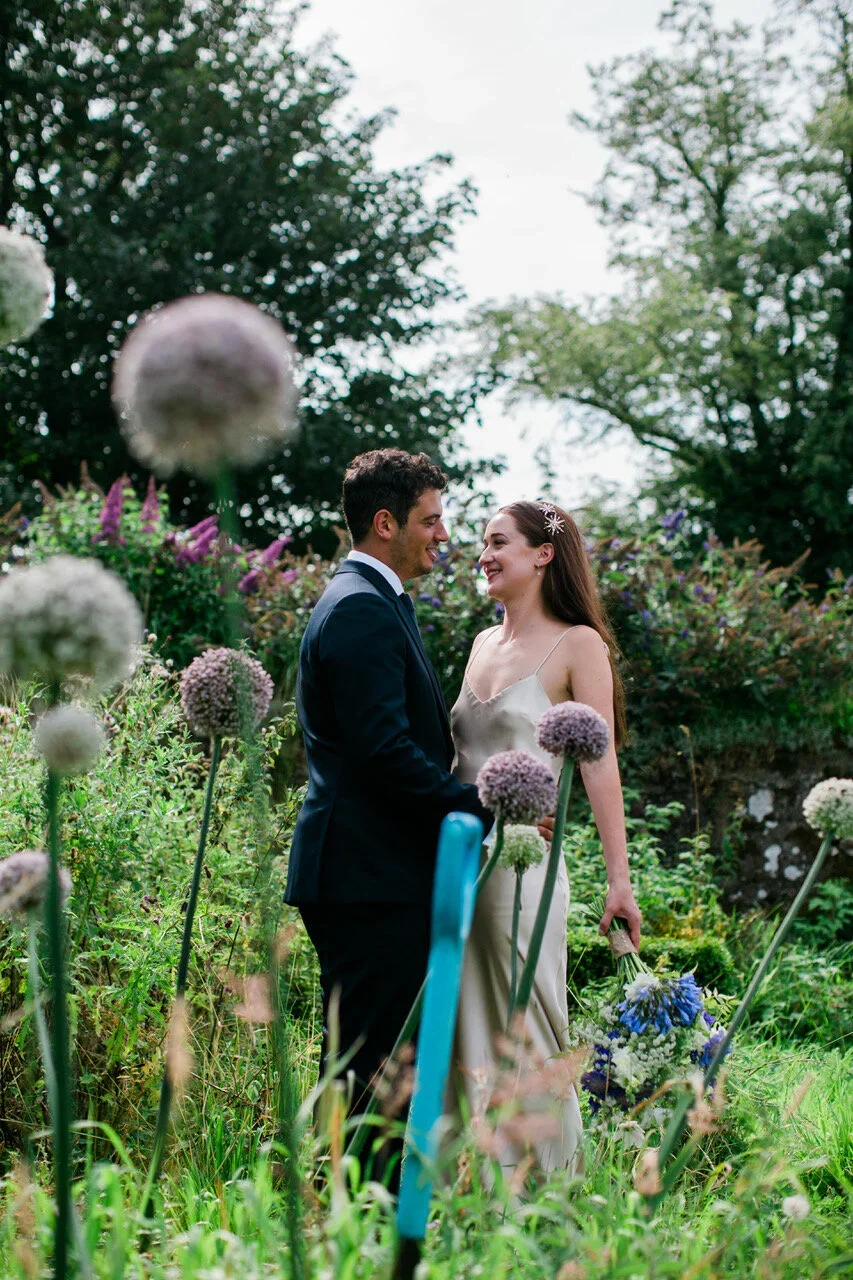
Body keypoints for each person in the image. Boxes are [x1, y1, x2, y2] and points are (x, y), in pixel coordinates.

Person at [284, 448, 492, 1183]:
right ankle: (357, 1221)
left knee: (363, 1063)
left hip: (367, 871)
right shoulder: (360, 610)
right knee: (372, 1067)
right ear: (384, 523)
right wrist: (482, 805)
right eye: (430, 521)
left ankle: (348, 1212)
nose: (444, 537)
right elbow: (383, 752)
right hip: (365, 875)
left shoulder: (369, 601)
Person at [451, 499, 641, 1177]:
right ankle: (470, 1201)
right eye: (481, 542)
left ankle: (547, 1201)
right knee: (459, 1035)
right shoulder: (479, 644)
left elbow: (600, 764)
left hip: (525, 877)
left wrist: (619, 882)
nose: (483, 554)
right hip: (457, 872)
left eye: (498, 541)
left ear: (543, 554)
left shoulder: (577, 644)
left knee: (527, 1033)